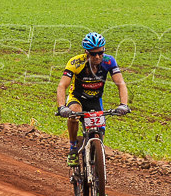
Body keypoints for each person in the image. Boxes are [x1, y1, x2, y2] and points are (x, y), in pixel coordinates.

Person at [55, 31, 129, 166]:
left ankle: (97, 166)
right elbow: (62, 85)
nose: (97, 56)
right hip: (77, 98)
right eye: (93, 53)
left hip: (95, 100)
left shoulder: (109, 61)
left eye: (100, 52)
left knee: (100, 134)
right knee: (74, 114)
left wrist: (123, 104)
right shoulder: (76, 62)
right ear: (86, 52)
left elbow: (121, 84)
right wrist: (61, 107)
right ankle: (72, 147)